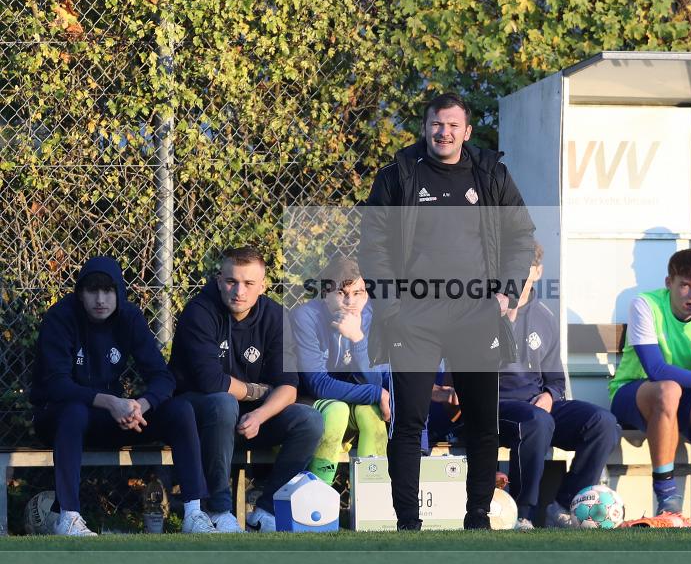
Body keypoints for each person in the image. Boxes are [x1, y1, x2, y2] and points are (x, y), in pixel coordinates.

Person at [360, 92, 535, 530]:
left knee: (481, 421)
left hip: (475, 314)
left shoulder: (491, 174)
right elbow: (373, 244)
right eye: (438, 124)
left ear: (467, 131)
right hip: (413, 318)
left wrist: (505, 295)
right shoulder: (400, 174)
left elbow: (521, 236)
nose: (445, 132)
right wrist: (389, 305)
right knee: (408, 422)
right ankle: (407, 523)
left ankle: (477, 517)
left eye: (454, 125)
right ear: (426, 127)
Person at [31, 256, 215, 535]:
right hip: (62, 420)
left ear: (119, 291)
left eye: (108, 291)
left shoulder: (129, 317)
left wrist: (140, 405)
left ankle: (194, 513)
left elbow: (163, 377)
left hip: (117, 418)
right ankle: (68, 517)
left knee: (180, 410)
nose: (100, 299)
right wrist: (111, 402)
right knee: (73, 411)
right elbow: (57, 385)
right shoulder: (61, 318)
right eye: (92, 291)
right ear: (81, 294)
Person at [169, 246, 323, 532]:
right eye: (232, 281)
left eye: (249, 283)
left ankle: (265, 511)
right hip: (202, 417)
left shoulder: (276, 316)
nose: (239, 291)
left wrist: (261, 415)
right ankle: (218, 509)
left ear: (262, 286)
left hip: (250, 420)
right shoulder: (199, 312)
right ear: (219, 280)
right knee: (223, 402)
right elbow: (211, 382)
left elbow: (288, 387)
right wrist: (260, 392)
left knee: (310, 420)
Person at [609, 249, 691, 518]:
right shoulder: (645, 304)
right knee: (669, 389)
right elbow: (656, 370)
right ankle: (667, 496)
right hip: (635, 394)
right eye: (684, 285)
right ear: (669, 283)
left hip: (684, 401)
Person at [498, 242, 619, 530]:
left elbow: (555, 381)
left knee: (603, 423)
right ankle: (521, 513)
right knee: (537, 422)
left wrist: (550, 397)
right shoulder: (484, 311)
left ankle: (565, 506)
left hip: (537, 407)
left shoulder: (545, 317)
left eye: (525, 267)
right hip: (496, 405)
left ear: (537, 272)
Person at [291, 256, 390, 485]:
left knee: (371, 414)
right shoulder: (305, 317)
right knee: (336, 411)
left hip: (352, 398)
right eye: (341, 293)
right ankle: (316, 495)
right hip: (310, 399)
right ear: (325, 294)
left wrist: (357, 339)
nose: (351, 301)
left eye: (359, 293)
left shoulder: (372, 317)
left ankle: (373, 503)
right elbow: (317, 385)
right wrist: (377, 393)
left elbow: (376, 381)